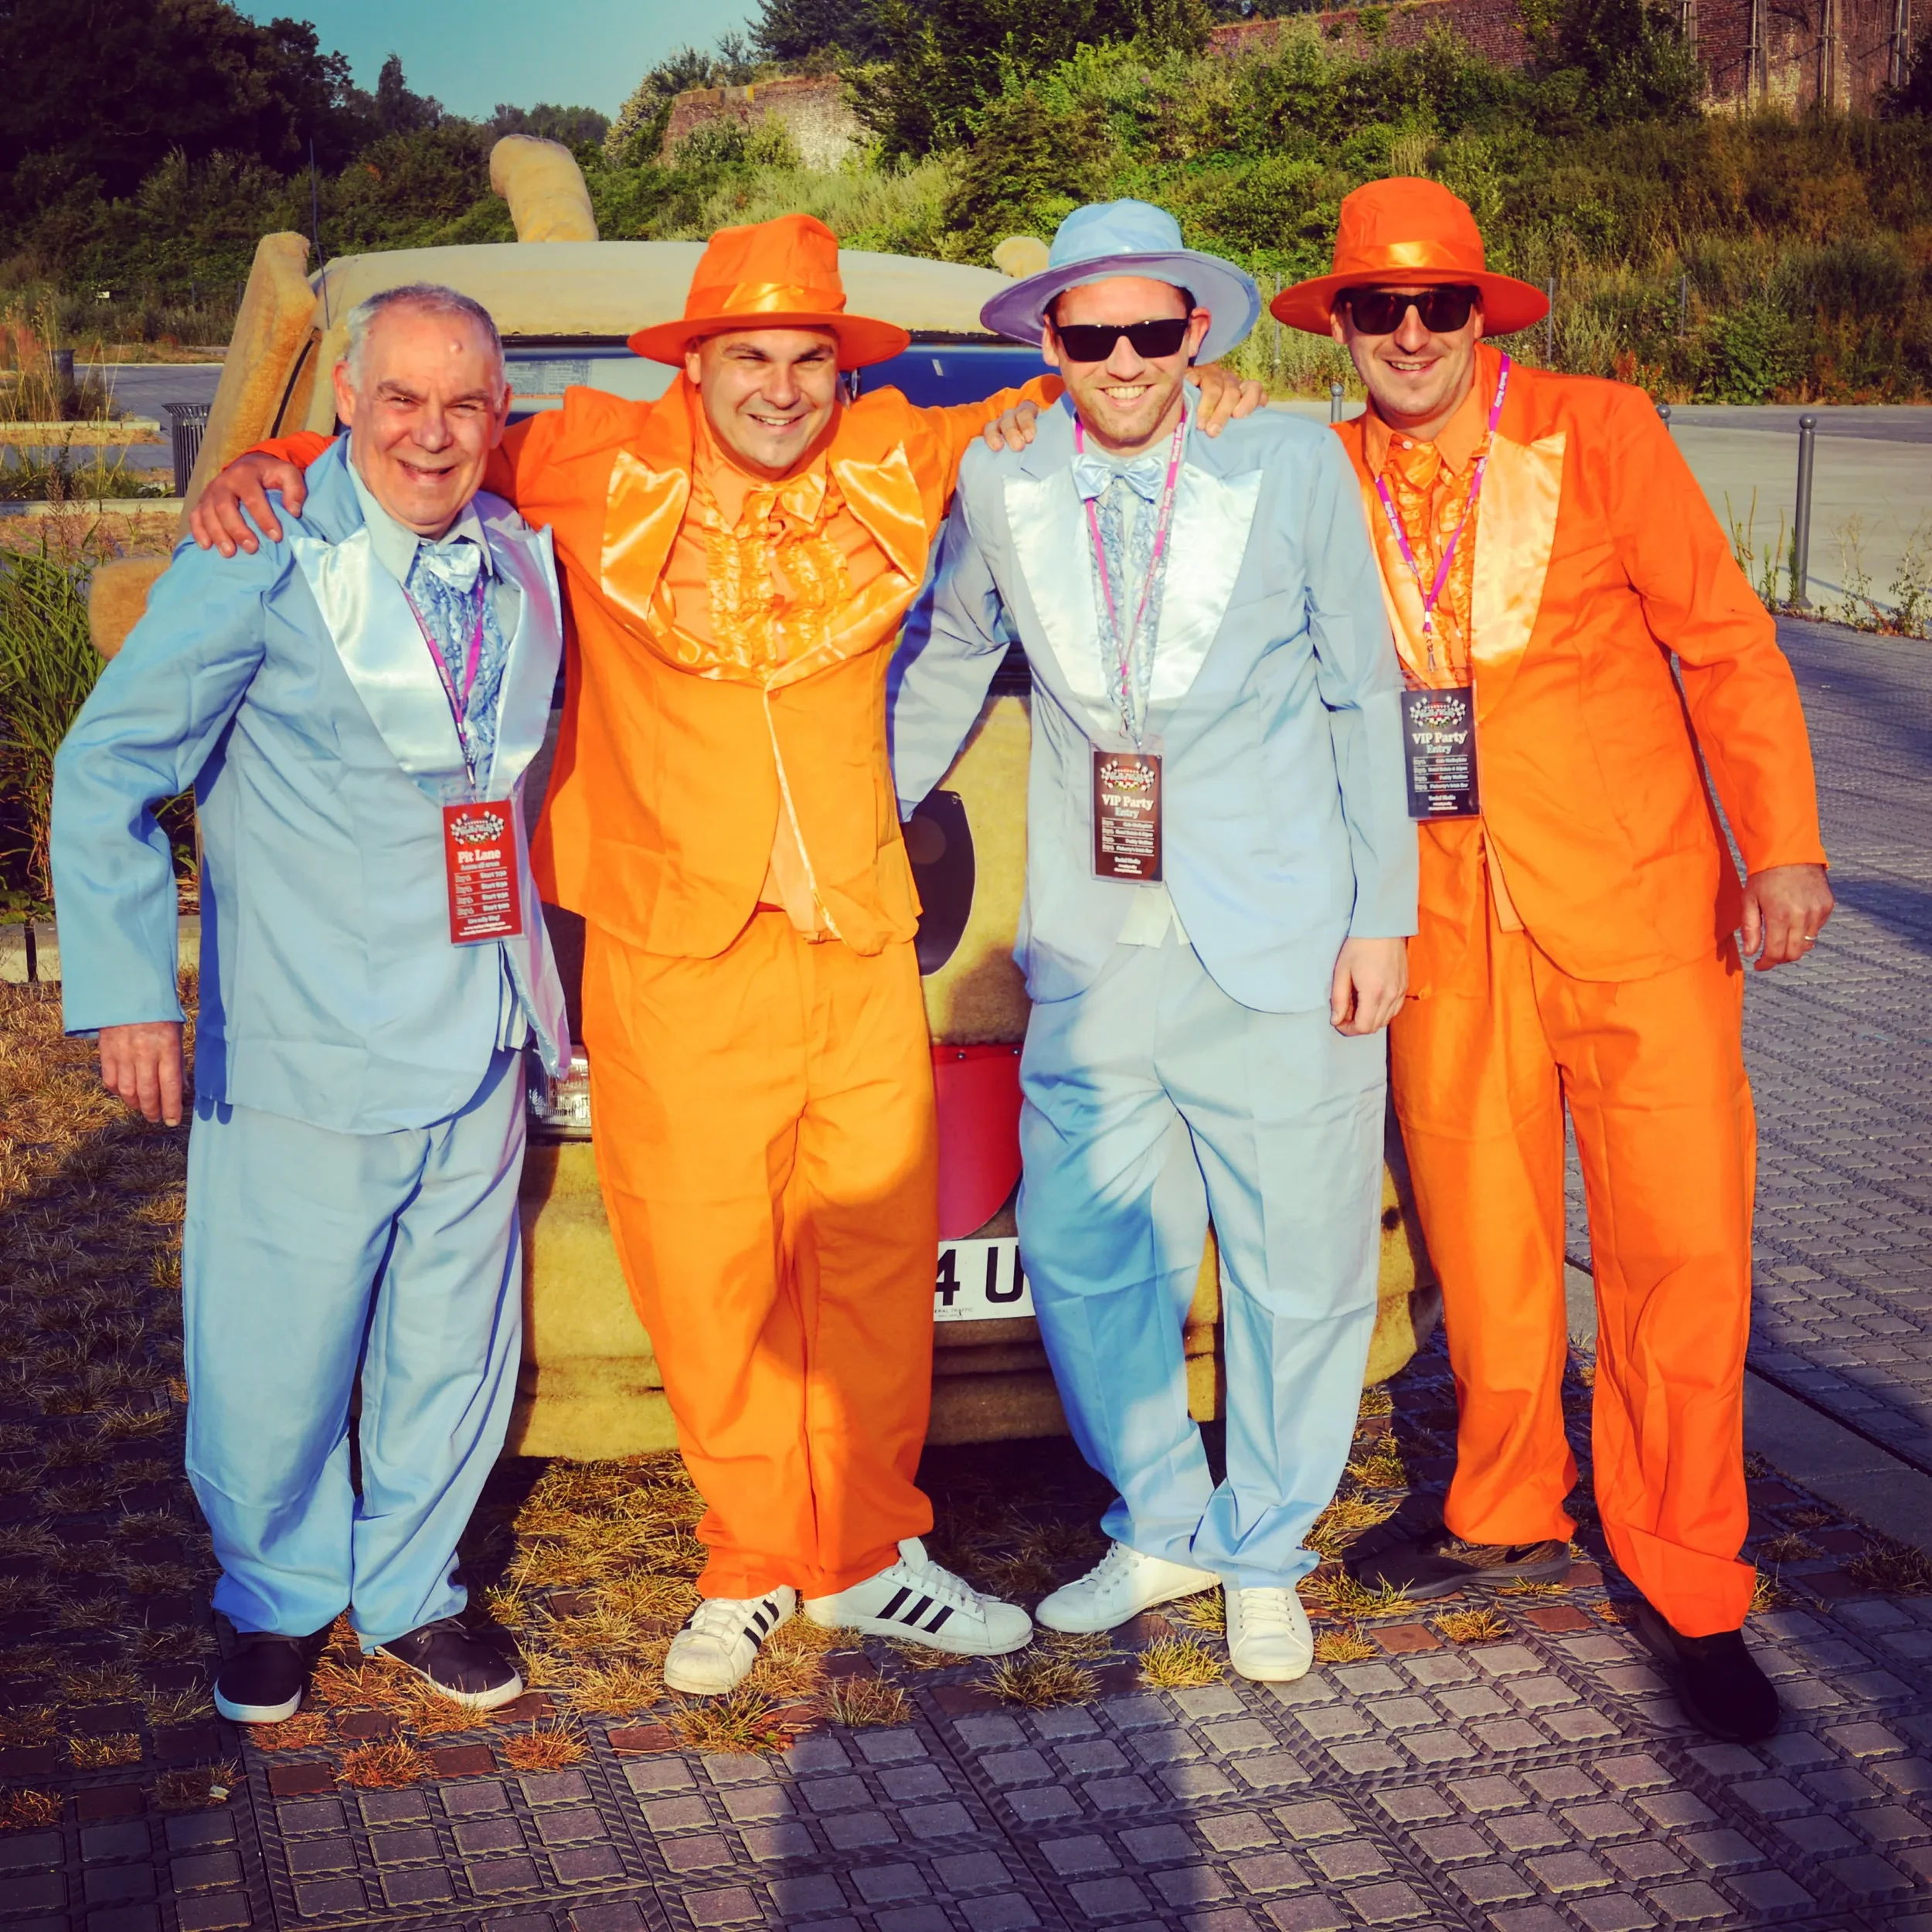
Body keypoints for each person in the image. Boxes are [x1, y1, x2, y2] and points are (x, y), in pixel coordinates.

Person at [188, 214, 1262, 1696]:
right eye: (748, 355)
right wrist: (267, 467)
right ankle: (756, 1556)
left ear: (841, 365)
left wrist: (1223, 398)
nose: (779, 384)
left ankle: (875, 1554)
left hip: (857, 931)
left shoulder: (905, 452)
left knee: (875, 1263)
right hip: (670, 944)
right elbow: (418, 451)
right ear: (696, 363)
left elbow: (1095, 401)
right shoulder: (586, 459)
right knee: (707, 1271)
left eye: (807, 356)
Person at [1270, 178, 1833, 1740]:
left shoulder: (1597, 430)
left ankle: (1684, 1569)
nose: (1402, 334)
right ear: (1337, 324)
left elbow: (1721, 639)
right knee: (1486, 1237)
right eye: (1370, 310)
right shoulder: (1314, 474)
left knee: (1676, 1249)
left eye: (1431, 305)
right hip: (1440, 918)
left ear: (1476, 312)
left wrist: (1778, 842)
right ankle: (1501, 1495)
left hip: (1639, 910)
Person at [889, 201, 1416, 1682]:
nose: (1121, 360)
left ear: (1198, 333)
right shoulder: (1001, 478)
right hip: (1098, 943)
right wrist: (847, 822)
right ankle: (1169, 1516)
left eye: (1149, 330)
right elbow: (945, 658)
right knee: (1084, 1252)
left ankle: (1265, 1548)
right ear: (1047, 342)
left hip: (1286, 934)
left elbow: (1363, 693)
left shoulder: (1291, 459)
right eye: (1089, 333)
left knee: (1296, 1263)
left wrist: (1386, 915)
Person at [52, 284, 572, 1723]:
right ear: (343, 401)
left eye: (465, 403)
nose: (432, 432)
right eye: (400, 399)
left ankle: (414, 1590)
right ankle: (273, 1594)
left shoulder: (523, 550)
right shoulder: (257, 548)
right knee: (275, 1340)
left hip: (480, 1025)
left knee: (450, 1339)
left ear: (499, 416)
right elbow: (107, 771)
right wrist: (125, 994)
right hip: (300, 1036)